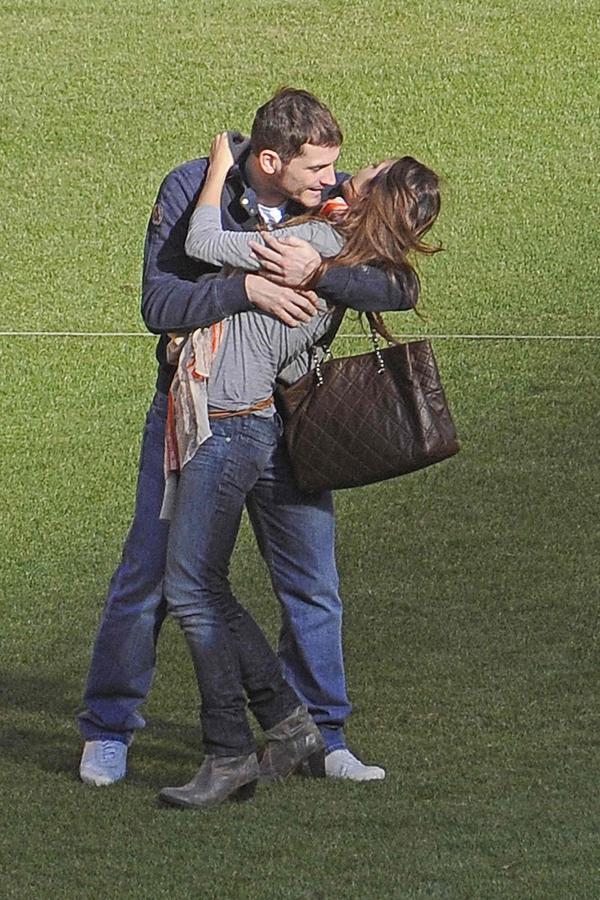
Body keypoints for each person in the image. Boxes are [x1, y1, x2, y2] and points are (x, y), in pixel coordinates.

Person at [78, 88, 411, 786]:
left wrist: (319, 271)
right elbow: (158, 304)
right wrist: (247, 289)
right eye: (319, 168)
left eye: (338, 168)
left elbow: (399, 288)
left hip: (293, 423)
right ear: (269, 160)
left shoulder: (332, 203)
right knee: (149, 578)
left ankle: (324, 735)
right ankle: (109, 728)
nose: (334, 179)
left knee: (312, 583)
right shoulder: (192, 188)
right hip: (199, 415)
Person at [156, 137, 441, 808]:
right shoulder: (343, 250)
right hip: (256, 418)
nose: (347, 173)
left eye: (362, 173)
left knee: (198, 587)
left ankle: (256, 741)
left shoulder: (312, 243)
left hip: (235, 425)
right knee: (200, 584)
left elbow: (202, 239)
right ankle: (289, 731)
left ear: (368, 196)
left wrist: (221, 166)